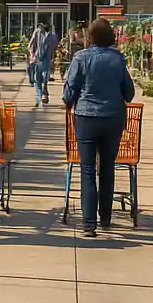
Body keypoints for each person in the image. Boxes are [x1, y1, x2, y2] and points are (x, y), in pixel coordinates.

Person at [62, 17, 135, 238]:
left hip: (86, 117)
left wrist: (69, 101)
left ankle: (88, 223)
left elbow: (69, 93)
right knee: (107, 167)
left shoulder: (80, 58)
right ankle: (105, 217)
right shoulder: (118, 60)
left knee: (87, 169)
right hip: (113, 118)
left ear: (90, 37)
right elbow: (129, 94)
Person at [28, 22, 54, 107]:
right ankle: (42, 96)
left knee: (40, 79)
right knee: (41, 78)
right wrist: (32, 54)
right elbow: (30, 45)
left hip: (41, 59)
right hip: (42, 59)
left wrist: (32, 55)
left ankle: (40, 97)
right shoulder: (48, 34)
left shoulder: (45, 33)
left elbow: (30, 45)